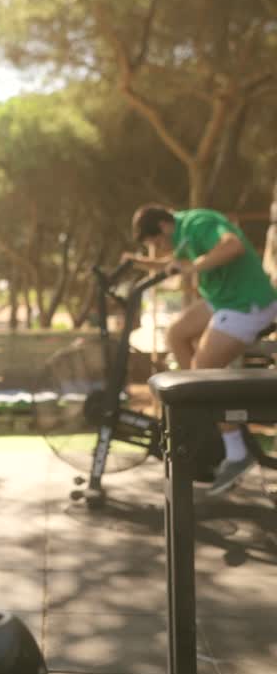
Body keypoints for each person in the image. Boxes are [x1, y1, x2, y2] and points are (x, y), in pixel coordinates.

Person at [127, 203, 277, 495]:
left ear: (163, 226)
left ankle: (236, 452)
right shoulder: (181, 234)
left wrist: (193, 267)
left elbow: (232, 246)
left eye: (157, 242)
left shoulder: (199, 224)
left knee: (201, 373)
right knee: (176, 335)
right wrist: (137, 261)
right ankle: (211, 416)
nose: (158, 249)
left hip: (248, 303)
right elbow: (172, 262)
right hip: (224, 300)